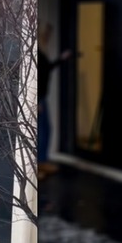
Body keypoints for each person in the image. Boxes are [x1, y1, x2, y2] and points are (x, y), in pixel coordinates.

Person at [38, 23, 71, 176]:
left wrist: (61, 59)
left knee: (46, 129)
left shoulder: (41, 53)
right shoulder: (36, 53)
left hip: (42, 98)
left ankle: (42, 162)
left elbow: (47, 69)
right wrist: (36, 101)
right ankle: (39, 163)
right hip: (38, 100)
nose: (47, 38)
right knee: (42, 131)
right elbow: (34, 77)